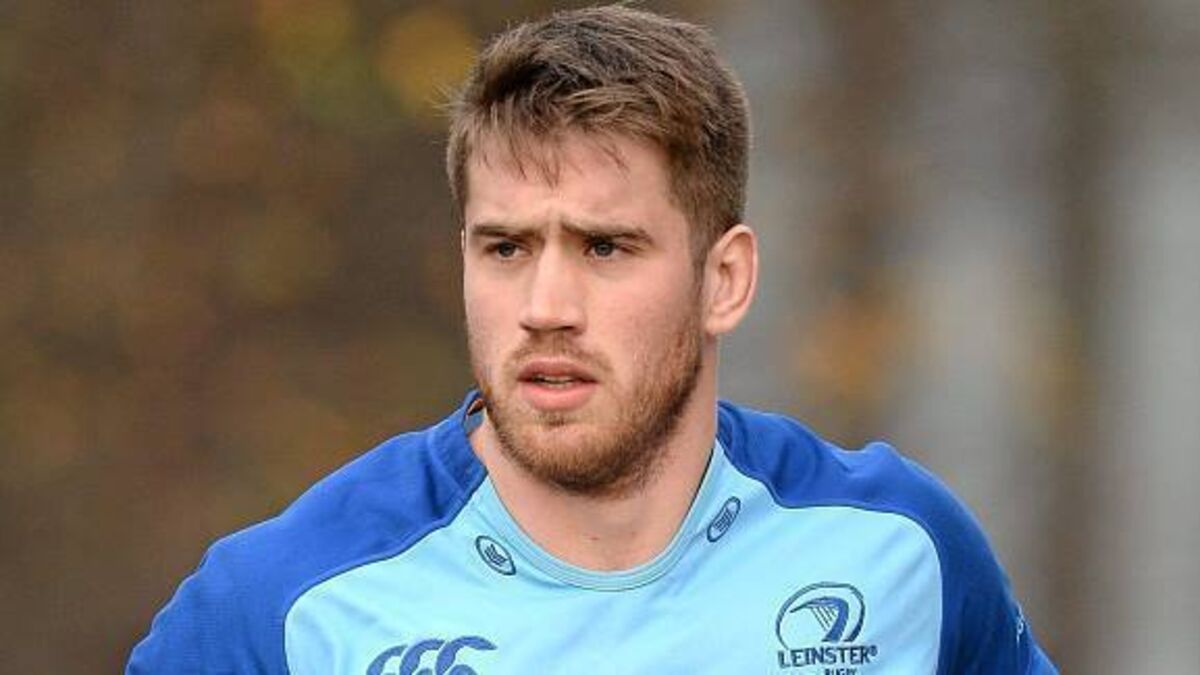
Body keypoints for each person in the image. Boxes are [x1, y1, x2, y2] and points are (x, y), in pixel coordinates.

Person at [128, 5, 1057, 674]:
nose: (545, 306)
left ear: (724, 279)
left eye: (605, 246)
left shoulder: (899, 550)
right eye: (506, 247)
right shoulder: (287, 602)